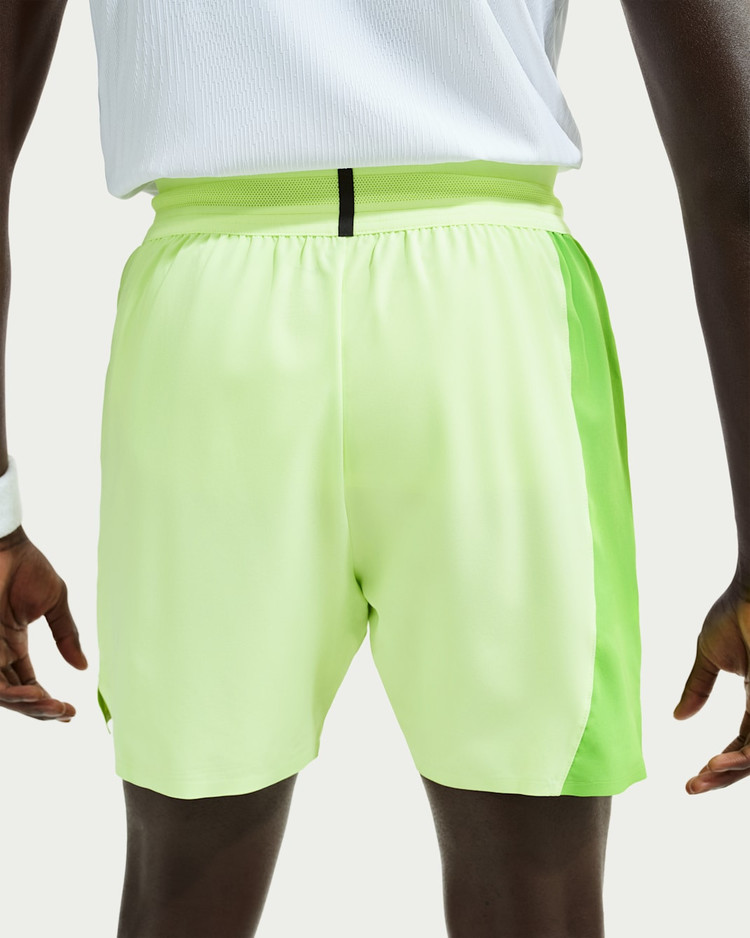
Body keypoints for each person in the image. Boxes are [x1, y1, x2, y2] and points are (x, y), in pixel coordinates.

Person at [1, 1, 748, 936]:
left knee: (180, 881)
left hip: (208, 319)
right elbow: (736, 164)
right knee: (538, 891)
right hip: (492, 316)